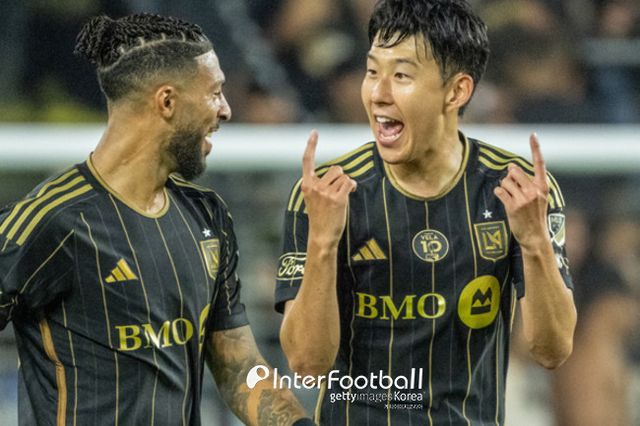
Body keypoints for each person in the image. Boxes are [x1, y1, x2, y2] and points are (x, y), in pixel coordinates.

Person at [0, 13, 313, 426]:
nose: (226, 110)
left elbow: (239, 365)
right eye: (215, 93)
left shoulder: (207, 215)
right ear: (167, 102)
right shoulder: (53, 220)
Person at [274, 0, 577, 424]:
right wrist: (323, 242)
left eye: (401, 75)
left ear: (457, 91)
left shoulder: (516, 191)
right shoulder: (327, 193)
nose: (378, 93)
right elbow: (307, 364)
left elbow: (553, 350)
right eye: (372, 72)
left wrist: (534, 241)